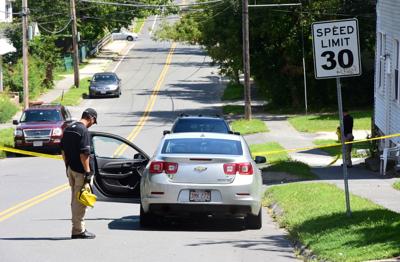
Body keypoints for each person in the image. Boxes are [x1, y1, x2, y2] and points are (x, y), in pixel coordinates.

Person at [61, 108, 97, 239]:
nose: (92, 123)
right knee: (80, 201)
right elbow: (84, 154)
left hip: (71, 169)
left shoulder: (69, 129)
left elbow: (63, 152)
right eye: (94, 121)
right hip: (81, 171)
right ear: (91, 118)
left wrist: (67, 167)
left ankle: (78, 227)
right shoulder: (83, 131)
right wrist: (87, 172)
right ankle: (78, 231)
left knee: (75, 200)